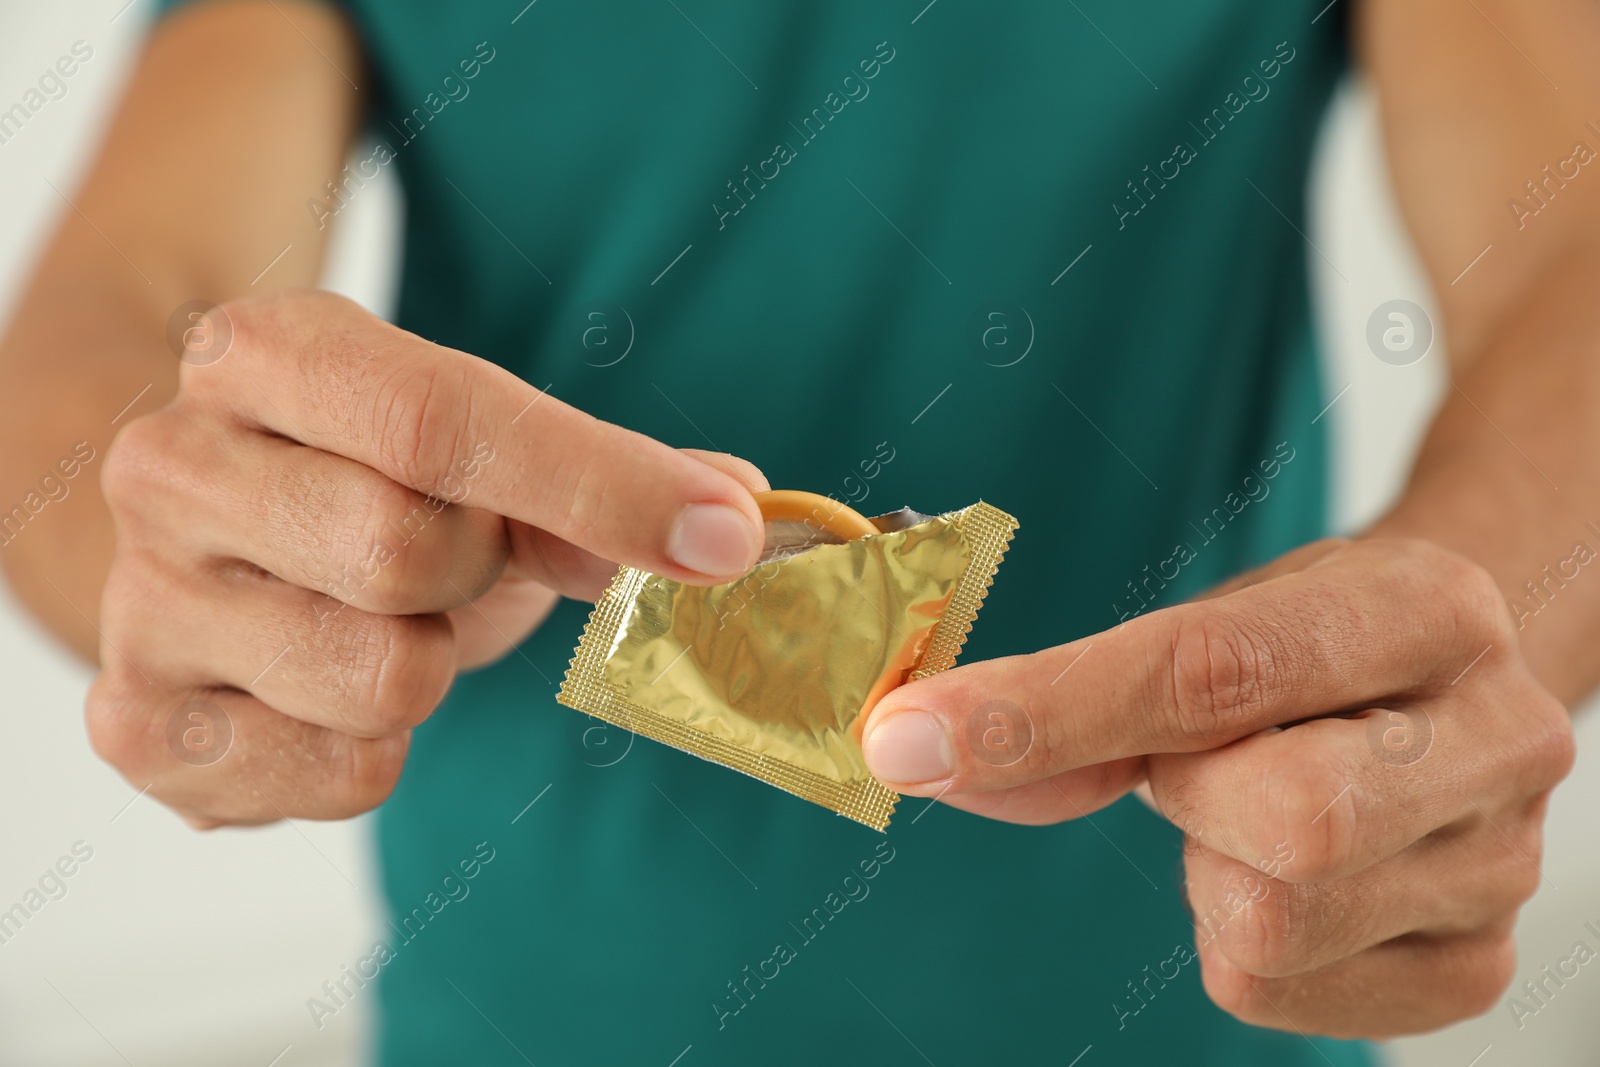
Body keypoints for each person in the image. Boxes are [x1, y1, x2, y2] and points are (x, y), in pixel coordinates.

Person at [1, 0, 1595, 1062]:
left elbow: (1568, 251)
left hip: (1210, 989)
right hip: (527, 1012)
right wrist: (184, 538)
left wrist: (1451, 649)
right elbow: (116, 309)